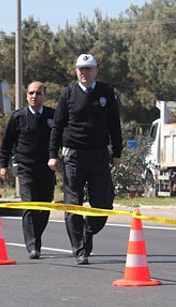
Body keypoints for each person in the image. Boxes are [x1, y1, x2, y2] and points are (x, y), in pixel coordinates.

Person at [48, 54, 123, 265]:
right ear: (76, 71)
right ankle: (79, 249)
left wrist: (117, 152)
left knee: (103, 204)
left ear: (96, 70)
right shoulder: (68, 94)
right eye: (81, 69)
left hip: (99, 154)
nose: (84, 72)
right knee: (73, 204)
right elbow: (57, 126)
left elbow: (114, 124)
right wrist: (52, 155)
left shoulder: (106, 93)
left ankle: (88, 231)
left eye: (88, 69)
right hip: (73, 156)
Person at [0, 81, 56, 260]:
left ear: (44, 96)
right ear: (26, 96)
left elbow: (61, 138)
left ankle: (36, 235)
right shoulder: (18, 117)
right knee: (30, 205)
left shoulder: (52, 116)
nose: (34, 96)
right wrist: (3, 165)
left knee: (44, 207)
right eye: (31, 93)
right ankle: (33, 245)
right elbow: (6, 143)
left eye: (38, 93)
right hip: (25, 169)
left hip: (46, 169)